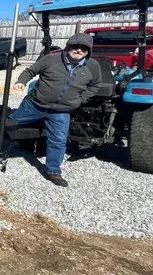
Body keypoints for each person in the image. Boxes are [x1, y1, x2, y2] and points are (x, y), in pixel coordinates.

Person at [11, 32, 102, 187]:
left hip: (61, 111)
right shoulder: (51, 59)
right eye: (75, 46)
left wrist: (81, 99)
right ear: (68, 46)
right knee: (11, 123)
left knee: (59, 141)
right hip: (35, 104)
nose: (79, 50)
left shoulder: (93, 66)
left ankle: (53, 171)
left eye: (84, 48)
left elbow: (95, 85)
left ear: (88, 51)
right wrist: (21, 81)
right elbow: (30, 71)